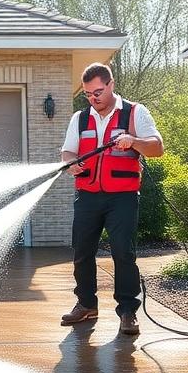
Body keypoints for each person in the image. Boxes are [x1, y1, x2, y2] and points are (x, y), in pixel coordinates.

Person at [60, 63, 164, 336]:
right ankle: (86, 305)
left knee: (123, 252)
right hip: (87, 196)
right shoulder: (80, 119)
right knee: (81, 252)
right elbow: (68, 153)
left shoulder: (134, 113)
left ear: (111, 84)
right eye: (88, 94)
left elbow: (157, 148)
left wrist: (133, 140)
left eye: (98, 92)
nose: (93, 99)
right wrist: (71, 164)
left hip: (122, 197)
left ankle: (128, 311)